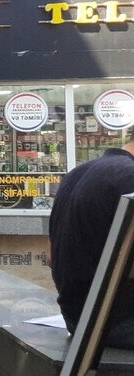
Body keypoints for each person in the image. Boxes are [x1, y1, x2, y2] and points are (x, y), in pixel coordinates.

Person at [49, 133, 134, 346]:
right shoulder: (129, 176)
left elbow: (53, 253)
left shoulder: (77, 173)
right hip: (116, 323)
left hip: (78, 319)